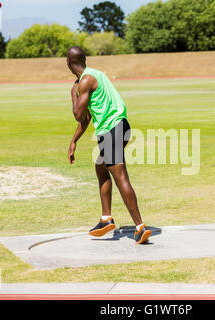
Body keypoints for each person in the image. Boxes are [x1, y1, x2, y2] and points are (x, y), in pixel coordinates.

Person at [66, 46, 151, 244]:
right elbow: (86, 119)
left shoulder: (85, 81)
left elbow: (78, 114)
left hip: (112, 129)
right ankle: (106, 219)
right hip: (120, 126)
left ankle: (140, 227)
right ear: (85, 59)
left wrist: (74, 93)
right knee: (101, 167)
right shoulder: (95, 75)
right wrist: (74, 140)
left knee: (120, 176)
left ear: (68, 64)